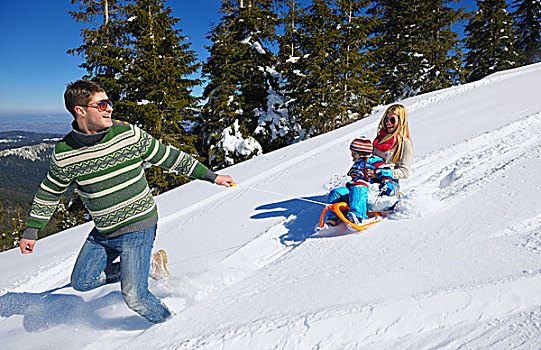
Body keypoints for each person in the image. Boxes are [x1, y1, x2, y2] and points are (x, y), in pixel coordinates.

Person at [18, 80, 235, 324]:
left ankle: (172, 327)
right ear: (80, 110)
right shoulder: (64, 153)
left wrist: (211, 176)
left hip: (138, 225)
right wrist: (32, 229)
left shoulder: (128, 135)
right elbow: (50, 192)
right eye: (101, 105)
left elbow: (169, 156)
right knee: (82, 282)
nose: (109, 108)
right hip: (104, 231)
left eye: (109, 102)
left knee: (135, 297)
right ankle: (150, 266)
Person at [325, 137, 397, 231]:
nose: (352, 156)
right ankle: (333, 217)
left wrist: (387, 184)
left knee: (358, 188)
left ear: (362, 153)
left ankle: (357, 216)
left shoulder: (374, 160)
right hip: (353, 189)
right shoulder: (357, 163)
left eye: (354, 153)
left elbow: (386, 172)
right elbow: (351, 173)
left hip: (369, 190)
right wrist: (352, 174)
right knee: (336, 192)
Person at [370, 104, 413, 192]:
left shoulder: (404, 143)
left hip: (390, 183)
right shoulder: (379, 140)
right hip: (372, 181)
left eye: (392, 120)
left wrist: (381, 173)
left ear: (401, 121)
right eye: (386, 119)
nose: (388, 123)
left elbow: (405, 172)